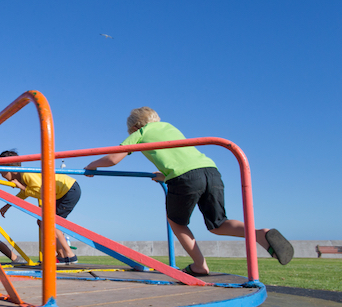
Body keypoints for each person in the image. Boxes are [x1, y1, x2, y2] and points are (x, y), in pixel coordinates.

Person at [83, 106, 293, 275]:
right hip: (211, 171)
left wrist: (92, 166)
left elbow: (113, 158)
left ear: (135, 126)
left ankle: (200, 265)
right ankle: (260, 234)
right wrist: (165, 175)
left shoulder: (141, 133)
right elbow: (181, 159)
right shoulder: (170, 128)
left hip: (185, 178)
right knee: (218, 224)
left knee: (177, 222)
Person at [0, 150, 81, 264]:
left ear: (11, 169)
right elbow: (24, 194)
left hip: (68, 190)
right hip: (61, 193)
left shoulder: (26, 174)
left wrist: (22, 187)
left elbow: (41, 192)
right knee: (42, 222)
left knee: (52, 223)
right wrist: (7, 206)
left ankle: (70, 255)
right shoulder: (22, 176)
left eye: (2, 173)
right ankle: (61, 255)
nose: (2, 176)